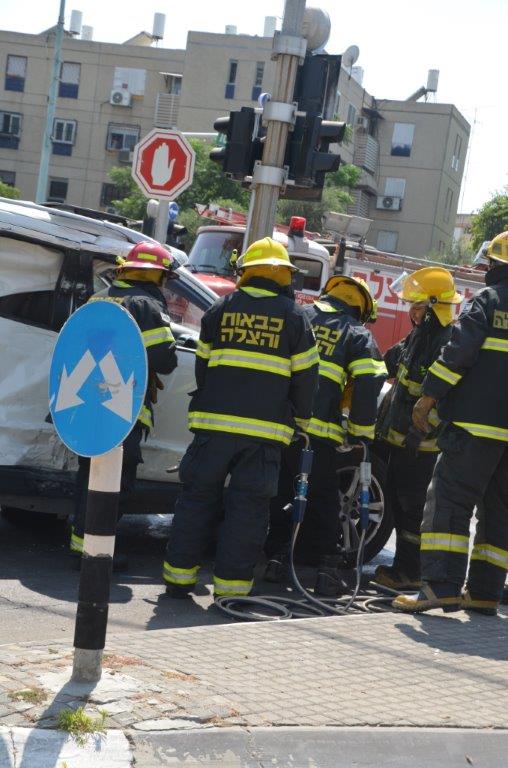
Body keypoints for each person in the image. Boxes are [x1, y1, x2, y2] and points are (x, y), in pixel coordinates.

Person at [162, 237, 319, 599]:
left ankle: (178, 578)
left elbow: (203, 366)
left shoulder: (220, 309)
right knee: (248, 510)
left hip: (212, 427)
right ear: (284, 275)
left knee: (196, 500)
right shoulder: (295, 317)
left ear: (246, 272)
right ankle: (231, 590)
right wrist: (301, 420)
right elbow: (306, 379)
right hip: (264, 434)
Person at [394, 232, 508, 615]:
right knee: (500, 511)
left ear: (496, 265)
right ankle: (485, 593)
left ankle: (441, 587)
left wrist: (428, 397)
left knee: (449, 501)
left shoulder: (488, 301)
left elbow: (457, 353)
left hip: (473, 427)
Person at [265, 275, 386, 596]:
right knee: (323, 499)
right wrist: (360, 433)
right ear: (360, 308)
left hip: (280, 427)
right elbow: (368, 382)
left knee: (281, 492)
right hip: (320, 434)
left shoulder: (298, 315)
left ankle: (276, 559)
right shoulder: (357, 334)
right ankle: (327, 570)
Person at [70, 241, 178, 568]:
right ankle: (97, 553)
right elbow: (165, 360)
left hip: (85, 404)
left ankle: (81, 545)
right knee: (117, 482)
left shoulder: (99, 298)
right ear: (155, 275)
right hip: (121, 409)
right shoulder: (146, 306)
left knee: (89, 476)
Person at [374, 268, 462, 590]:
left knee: (411, 510)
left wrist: (419, 432)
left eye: (417, 306)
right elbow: (389, 362)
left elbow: (446, 400)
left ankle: (409, 572)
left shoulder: (447, 342)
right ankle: (404, 568)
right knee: (399, 505)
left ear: (434, 306)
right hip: (400, 440)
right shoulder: (420, 336)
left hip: (420, 446)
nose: (411, 312)